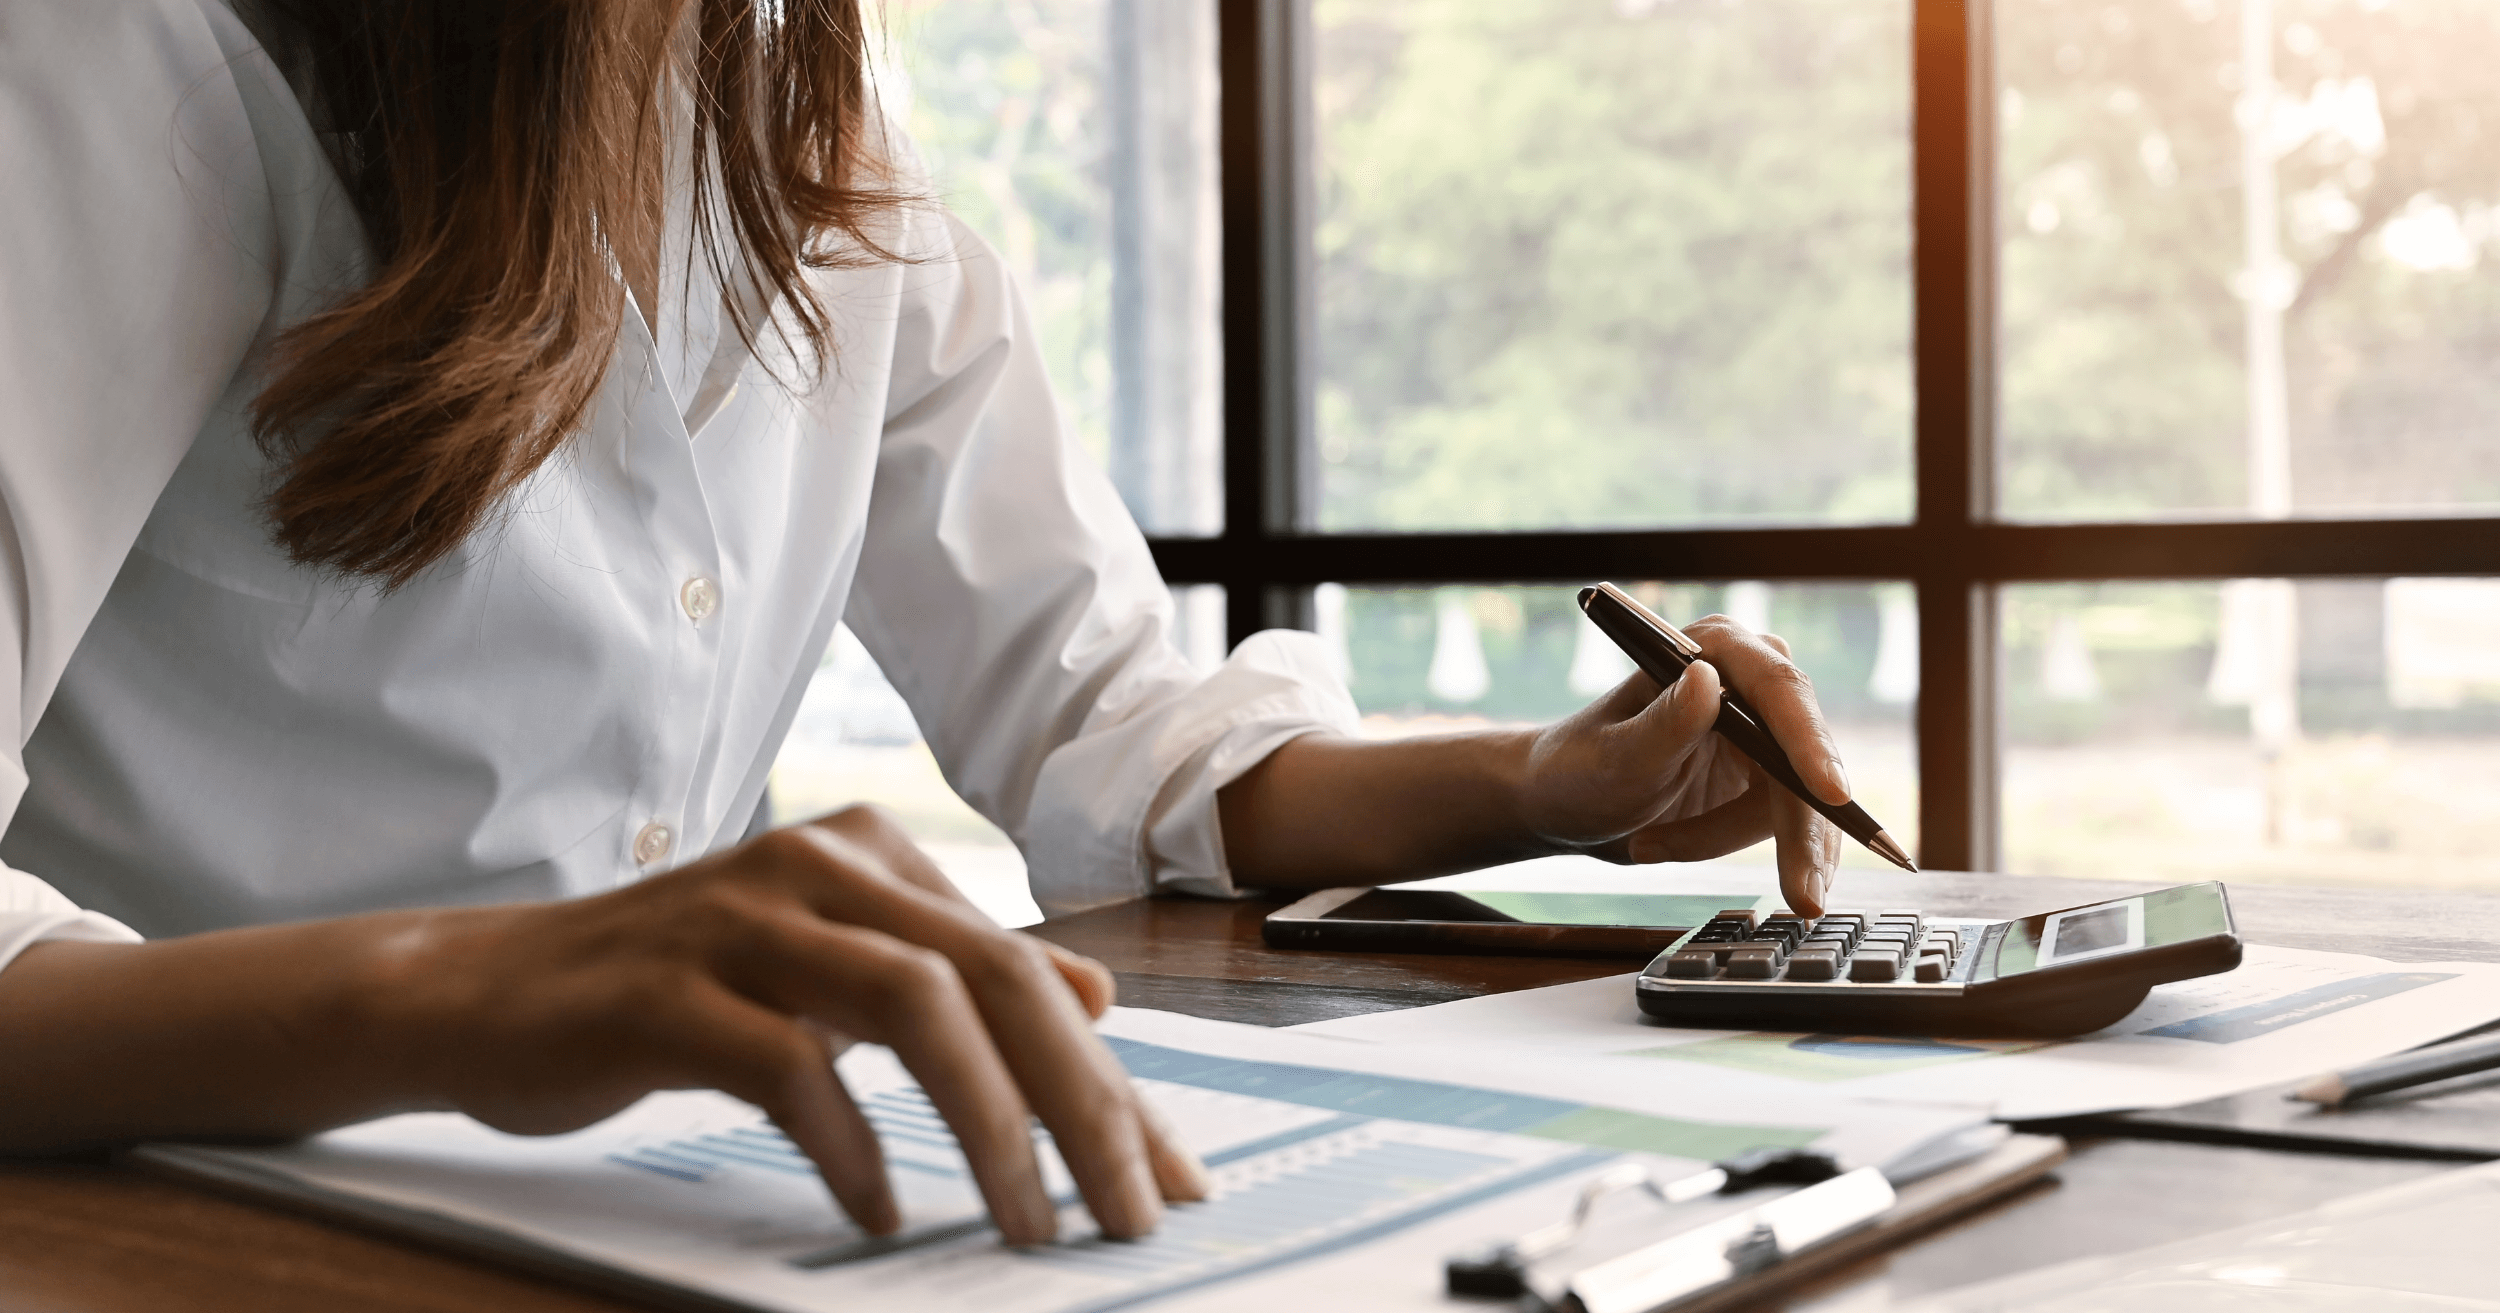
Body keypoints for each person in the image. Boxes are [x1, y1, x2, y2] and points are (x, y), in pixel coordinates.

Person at [0, 0, 1852, 1248]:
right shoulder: (114, 73)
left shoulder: (804, 113)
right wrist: (469, 988)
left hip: (656, 1220)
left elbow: (1105, 721)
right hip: (177, 1235)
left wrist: (1543, 777)